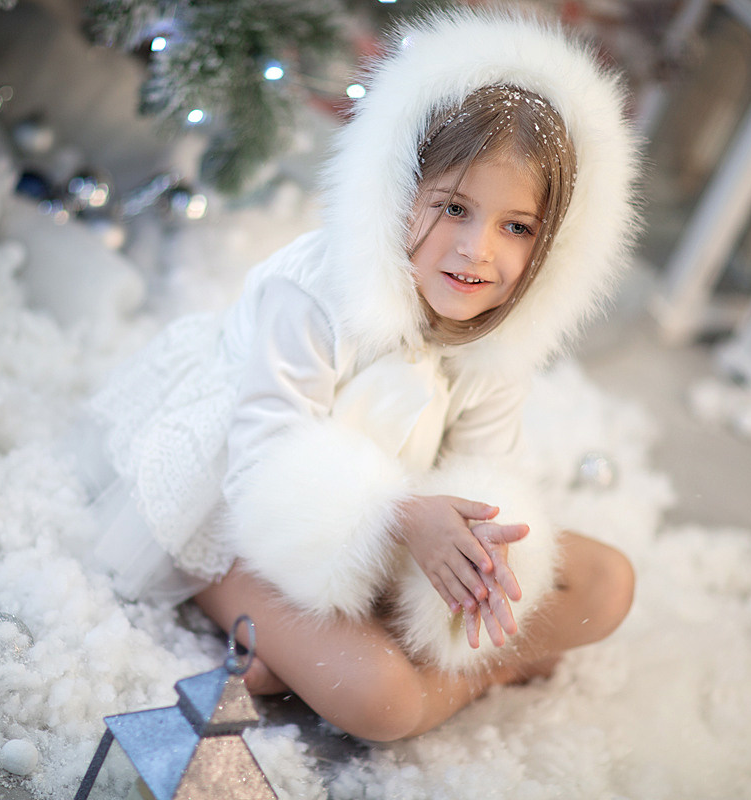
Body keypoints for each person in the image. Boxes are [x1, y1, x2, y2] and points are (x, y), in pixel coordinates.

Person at [87, 8, 641, 743]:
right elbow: (262, 466)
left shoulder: (498, 334)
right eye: (453, 208)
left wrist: (481, 554)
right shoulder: (315, 292)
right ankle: (450, 671)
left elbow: (487, 463)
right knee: (384, 702)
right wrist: (401, 517)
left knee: (607, 586)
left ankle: (318, 658)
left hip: (400, 529)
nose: (477, 251)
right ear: (400, 188)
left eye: (516, 227)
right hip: (243, 522)